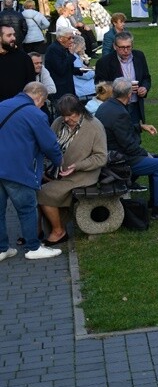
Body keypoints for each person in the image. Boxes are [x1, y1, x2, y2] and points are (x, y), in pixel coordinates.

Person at [96, 78, 158, 219]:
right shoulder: (120, 113)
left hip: (111, 154)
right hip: (119, 161)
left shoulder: (106, 107)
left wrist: (140, 126)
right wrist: (145, 154)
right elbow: (129, 146)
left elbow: (118, 130)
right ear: (129, 94)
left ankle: (157, 201)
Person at [0, 82, 64, 261]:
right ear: (39, 97)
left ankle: (2, 249)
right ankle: (33, 247)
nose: (43, 105)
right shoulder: (35, 114)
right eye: (43, 102)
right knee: (27, 208)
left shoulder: (2, 105)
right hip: (17, 169)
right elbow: (49, 144)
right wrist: (59, 161)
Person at [36, 94, 108, 245]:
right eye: (63, 116)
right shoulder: (58, 122)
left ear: (80, 111)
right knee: (31, 186)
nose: (67, 119)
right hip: (57, 171)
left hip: (81, 175)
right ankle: (36, 232)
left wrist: (77, 166)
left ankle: (59, 231)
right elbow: (48, 144)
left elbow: (101, 157)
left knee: (43, 192)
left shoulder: (94, 126)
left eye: (71, 116)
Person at [95, 31, 151, 128]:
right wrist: (121, 89)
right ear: (114, 46)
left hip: (135, 105)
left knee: (135, 136)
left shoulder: (139, 56)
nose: (126, 50)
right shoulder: (104, 62)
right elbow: (99, 88)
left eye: (128, 47)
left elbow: (146, 77)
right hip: (115, 107)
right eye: (122, 47)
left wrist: (144, 88)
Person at [0, 22, 37, 103]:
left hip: (20, 106)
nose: (13, 38)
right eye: (9, 35)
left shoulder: (23, 58)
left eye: (14, 34)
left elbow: (31, 84)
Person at [45, 26, 84, 101]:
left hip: (68, 87)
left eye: (73, 37)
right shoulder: (54, 49)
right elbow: (61, 69)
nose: (72, 40)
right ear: (60, 38)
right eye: (69, 38)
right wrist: (71, 55)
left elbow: (69, 68)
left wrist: (81, 70)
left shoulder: (64, 48)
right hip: (60, 89)